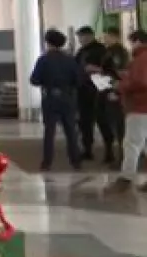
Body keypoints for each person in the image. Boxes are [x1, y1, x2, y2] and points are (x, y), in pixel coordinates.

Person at [30, 29, 82, 172]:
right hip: (68, 97)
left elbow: (34, 80)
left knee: (49, 131)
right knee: (71, 130)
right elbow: (79, 80)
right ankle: (75, 160)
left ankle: (47, 162)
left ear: (48, 42)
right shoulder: (70, 59)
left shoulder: (43, 60)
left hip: (50, 98)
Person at [110, 30, 147, 192]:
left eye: (132, 41)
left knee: (132, 143)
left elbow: (140, 82)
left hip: (139, 106)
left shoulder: (141, 58)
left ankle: (126, 178)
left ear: (138, 41)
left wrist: (121, 86)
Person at [74, 26, 110, 163]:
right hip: (83, 90)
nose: (80, 40)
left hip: (98, 90)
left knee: (103, 120)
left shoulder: (101, 50)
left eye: (81, 37)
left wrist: (97, 70)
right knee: (85, 122)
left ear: (89, 36)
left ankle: (109, 150)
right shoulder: (81, 51)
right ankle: (87, 149)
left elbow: (109, 70)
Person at [101, 28, 131, 167]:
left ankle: (124, 160)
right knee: (114, 126)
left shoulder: (118, 53)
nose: (104, 39)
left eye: (106, 36)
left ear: (115, 37)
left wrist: (116, 91)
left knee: (120, 128)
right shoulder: (110, 51)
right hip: (109, 90)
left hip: (115, 92)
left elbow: (120, 73)